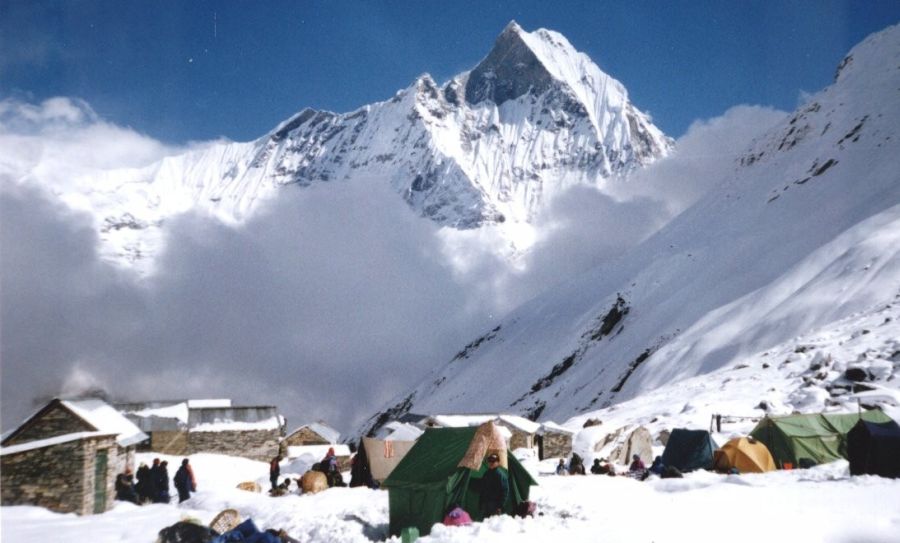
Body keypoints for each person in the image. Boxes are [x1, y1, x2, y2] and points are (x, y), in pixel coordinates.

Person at [480, 453, 509, 518]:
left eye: (493, 461)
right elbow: (483, 488)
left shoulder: (501, 475)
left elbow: (505, 491)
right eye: (490, 461)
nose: (491, 463)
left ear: (498, 462)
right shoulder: (486, 474)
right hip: (486, 504)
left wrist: (500, 506)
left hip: (496, 506)